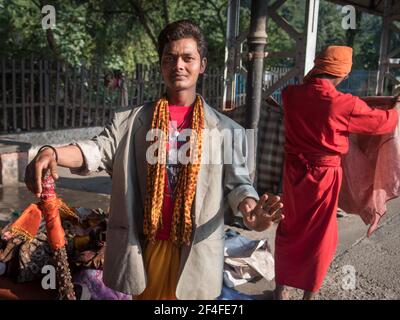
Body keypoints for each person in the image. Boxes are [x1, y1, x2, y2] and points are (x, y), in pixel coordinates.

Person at [24, 20, 283, 300]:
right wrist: (52, 152)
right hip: (146, 250)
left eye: (188, 58)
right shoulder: (131, 122)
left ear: (203, 64)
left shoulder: (225, 129)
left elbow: (238, 185)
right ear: (161, 65)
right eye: (169, 58)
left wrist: (252, 212)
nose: (178, 65)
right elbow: (96, 149)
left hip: (195, 253)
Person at [274, 45, 399, 300]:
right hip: (323, 177)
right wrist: (395, 107)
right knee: (321, 237)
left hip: (292, 173)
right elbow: (382, 122)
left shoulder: (289, 94)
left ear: (318, 66)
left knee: (290, 228)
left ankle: (281, 290)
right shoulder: (345, 104)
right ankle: (309, 295)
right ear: (343, 73)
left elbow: (310, 99)